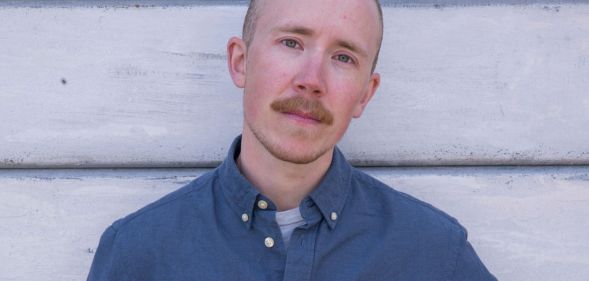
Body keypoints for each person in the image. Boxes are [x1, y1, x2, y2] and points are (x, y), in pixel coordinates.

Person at [87, 0, 497, 280]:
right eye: (291, 43)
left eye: (343, 57)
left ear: (365, 94)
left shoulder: (435, 254)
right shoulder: (140, 253)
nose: (310, 80)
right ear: (240, 62)